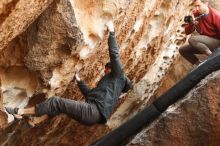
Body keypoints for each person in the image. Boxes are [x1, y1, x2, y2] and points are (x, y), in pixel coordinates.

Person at [5, 21, 132, 126]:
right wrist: (79, 80)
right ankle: (35, 121)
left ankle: (20, 111)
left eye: (107, 69)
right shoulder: (109, 89)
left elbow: (114, 55)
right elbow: (89, 94)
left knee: (55, 101)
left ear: (112, 69)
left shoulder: (119, 76)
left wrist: (112, 32)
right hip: (91, 114)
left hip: (92, 112)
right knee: (59, 107)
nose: (104, 71)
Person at [179, 0, 220, 65]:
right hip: (206, 43)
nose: (197, 8)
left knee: (192, 39)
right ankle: (200, 65)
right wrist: (191, 23)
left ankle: (214, 58)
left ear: (206, 3)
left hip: (217, 43)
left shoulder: (216, 16)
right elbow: (187, 32)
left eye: (198, 6)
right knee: (182, 50)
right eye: (195, 6)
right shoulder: (197, 15)